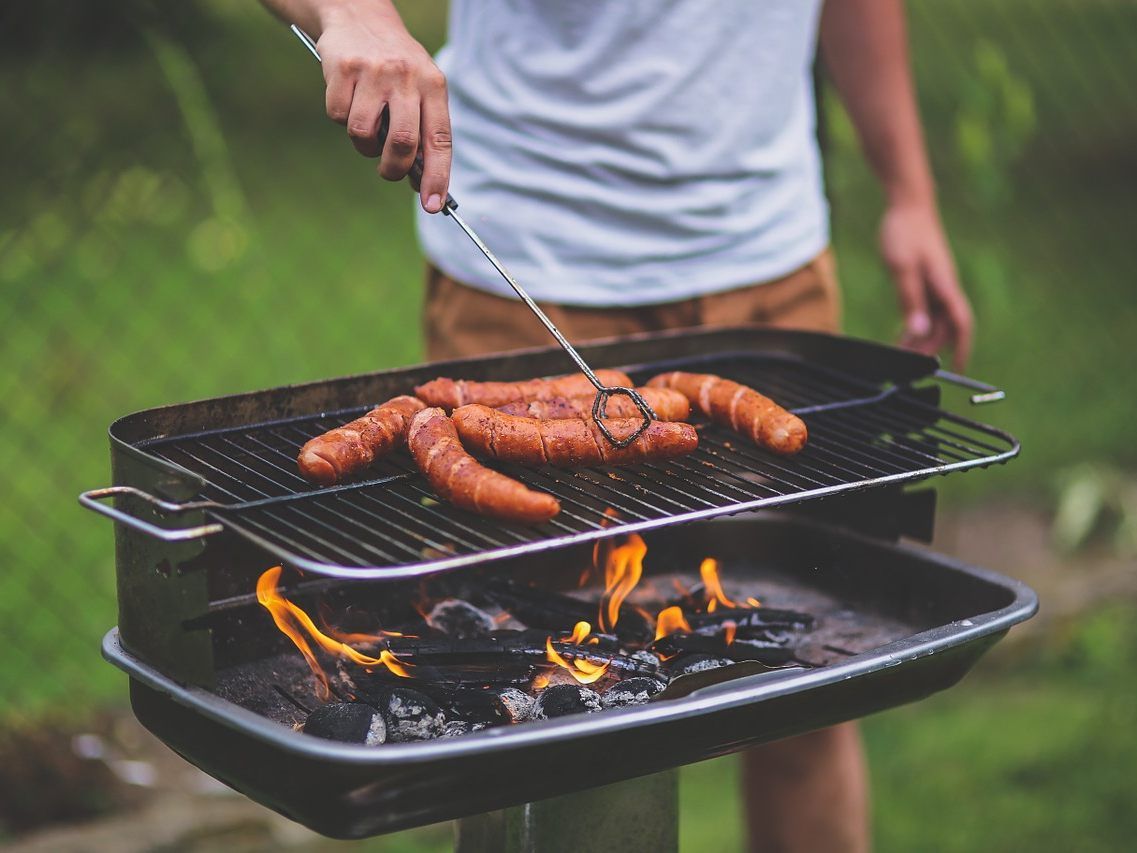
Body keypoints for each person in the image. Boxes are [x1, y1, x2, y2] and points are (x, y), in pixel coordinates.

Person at [262, 2, 974, 850]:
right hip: (525, 262)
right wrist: (352, 15)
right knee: (528, 708)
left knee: (805, 688)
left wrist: (909, 193)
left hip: (767, 263)